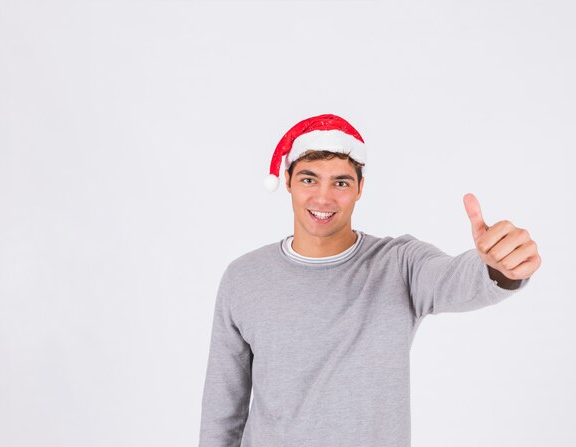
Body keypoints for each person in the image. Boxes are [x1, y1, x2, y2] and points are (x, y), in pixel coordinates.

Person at [198, 114, 541, 447]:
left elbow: (454, 278)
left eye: (341, 182)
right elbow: (222, 412)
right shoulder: (244, 277)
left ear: (360, 187)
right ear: (287, 181)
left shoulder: (399, 263)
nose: (323, 197)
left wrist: (498, 268)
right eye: (308, 179)